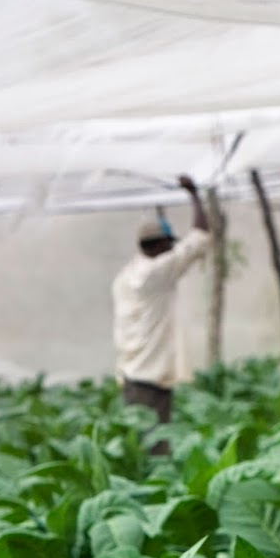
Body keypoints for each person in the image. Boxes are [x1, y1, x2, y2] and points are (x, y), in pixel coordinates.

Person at [111, 175, 211, 434]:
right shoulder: (156, 274)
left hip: (133, 375)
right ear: (160, 245)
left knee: (142, 444)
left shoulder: (126, 275)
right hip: (151, 378)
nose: (171, 250)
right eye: (169, 244)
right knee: (156, 450)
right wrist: (194, 194)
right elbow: (200, 237)